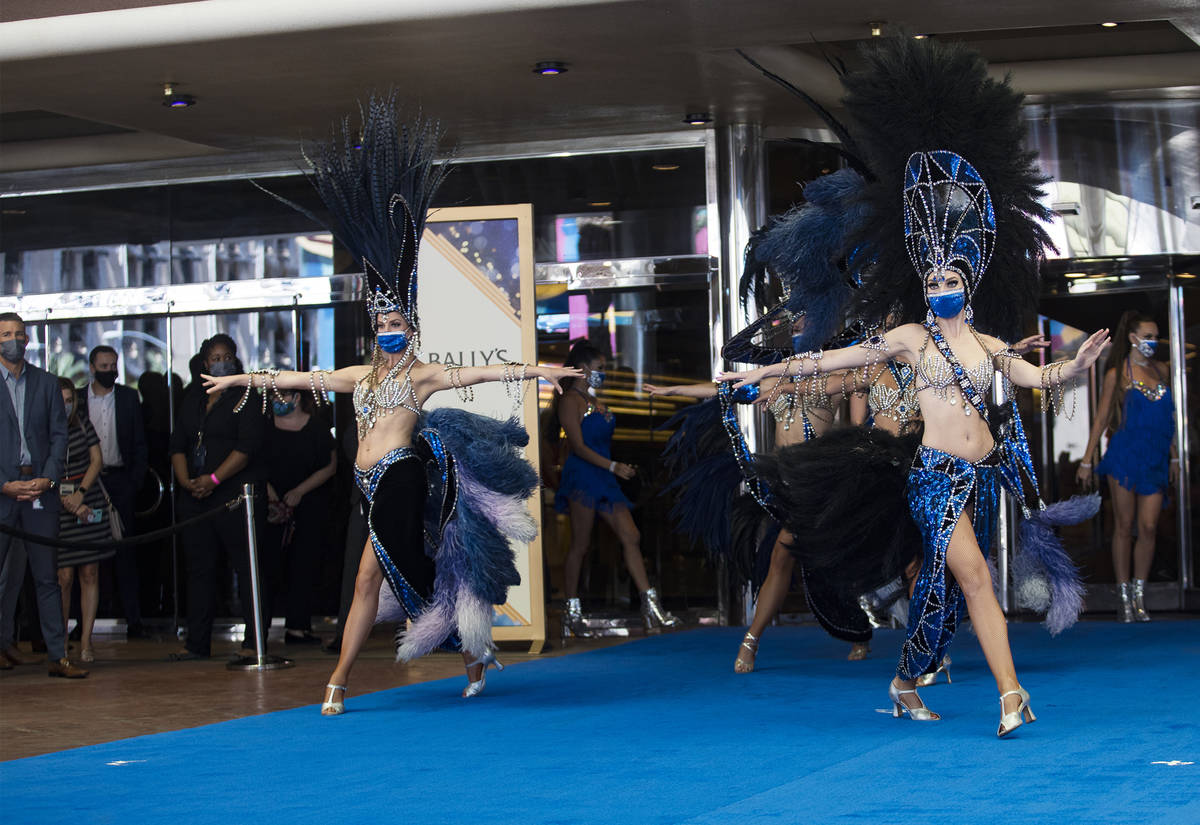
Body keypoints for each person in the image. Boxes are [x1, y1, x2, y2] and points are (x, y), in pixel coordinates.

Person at [719, 37, 1105, 736]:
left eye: (949, 280)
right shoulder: (911, 341)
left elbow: (1038, 376)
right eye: (931, 282)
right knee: (978, 578)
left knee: (943, 588)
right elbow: (831, 364)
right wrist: (766, 371)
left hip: (978, 474)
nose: (940, 289)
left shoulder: (989, 347)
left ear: (968, 285)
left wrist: (1076, 367)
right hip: (934, 477)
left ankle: (905, 678)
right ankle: (1011, 694)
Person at [207, 98, 581, 713]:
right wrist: (235, 380)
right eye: (380, 319)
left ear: (410, 325)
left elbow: (487, 369)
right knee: (408, 577)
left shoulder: (425, 373)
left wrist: (545, 367)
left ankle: (338, 681)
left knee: (367, 577)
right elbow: (300, 378)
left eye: (396, 320)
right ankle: (470, 652)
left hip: (401, 477)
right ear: (371, 324)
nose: (388, 327)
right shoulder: (357, 374)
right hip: (364, 482)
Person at [550, 338, 682, 638]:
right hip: (584, 476)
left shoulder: (596, 401)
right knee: (581, 545)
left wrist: (617, 466)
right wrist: (612, 467)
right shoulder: (570, 400)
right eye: (600, 368)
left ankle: (650, 606)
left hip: (605, 475)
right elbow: (578, 447)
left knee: (631, 535)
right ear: (583, 369)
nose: (604, 373)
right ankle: (571, 613)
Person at [168, 334, 269, 660]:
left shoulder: (246, 398)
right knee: (199, 571)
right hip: (195, 497)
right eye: (214, 357)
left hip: (233, 495)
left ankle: (254, 642)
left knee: (247, 569)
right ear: (204, 363)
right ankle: (197, 642)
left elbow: (248, 447)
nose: (220, 362)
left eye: (226, 356)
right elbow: (178, 444)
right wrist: (187, 482)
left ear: (236, 361)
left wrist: (212, 479)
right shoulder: (193, 398)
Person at [0, 312, 88, 677]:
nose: (14, 340)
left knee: (47, 578)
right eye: (6, 334)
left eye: (19, 334)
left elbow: (59, 437)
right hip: (3, 491)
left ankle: (57, 656)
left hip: (41, 491)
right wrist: (3, 484)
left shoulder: (48, 383)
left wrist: (48, 479)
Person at [1077, 310, 1176, 622]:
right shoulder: (1118, 373)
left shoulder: (1163, 370)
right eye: (1148, 336)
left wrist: (1174, 456)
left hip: (1156, 457)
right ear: (1133, 338)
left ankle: (1139, 594)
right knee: (1123, 525)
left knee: (1148, 527)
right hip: (1124, 455)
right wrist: (1086, 458)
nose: (1153, 341)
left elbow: (1170, 420)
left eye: (1155, 335)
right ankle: (1123, 598)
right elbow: (1103, 417)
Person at [78, 345, 149, 638]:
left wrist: (134, 483)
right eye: (104, 366)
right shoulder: (79, 401)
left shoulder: (129, 397)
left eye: (114, 365)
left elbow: (139, 444)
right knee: (84, 554)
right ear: (92, 368)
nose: (110, 371)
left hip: (120, 481)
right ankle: (82, 625)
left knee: (125, 552)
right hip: (86, 483)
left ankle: (133, 619)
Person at [262, 387, 336, 644]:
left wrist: (299, 491)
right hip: (271, 506)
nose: (277, 401)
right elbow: (254, 462)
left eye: (282, 396)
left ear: (297, 398)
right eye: (274, 396)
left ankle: (298, 627)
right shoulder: (265, 426)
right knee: (268, 567)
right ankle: (260, 629)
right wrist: (270, 492)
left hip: (308, 503)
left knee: (304, 565)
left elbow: (329, 465)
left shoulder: (315, 427)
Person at [54, 377, 114, 663]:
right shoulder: (43, 428)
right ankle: (61, 642)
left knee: (89, 573)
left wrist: (80, 495)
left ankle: (86, 641)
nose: (66, 406)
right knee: (63, 578)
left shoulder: (82, 423)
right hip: (58, 504)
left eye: (69, 401)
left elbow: (96, 460)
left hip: (87, 502)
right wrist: (67, 501)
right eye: (60, 401)